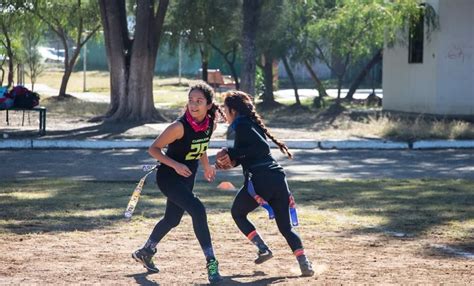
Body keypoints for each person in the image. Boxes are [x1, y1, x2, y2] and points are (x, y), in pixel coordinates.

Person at [132, 81, 224, 284]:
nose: (193, 105)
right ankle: (212, 264)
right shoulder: (178, 127)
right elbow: (153, 149)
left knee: (172, 219)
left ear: (209, 105)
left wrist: (207, 166)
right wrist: (174, 165)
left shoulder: (210, 124)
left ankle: (146, 251)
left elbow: (201, 146)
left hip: (186, 178)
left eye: (199, 101)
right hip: (169, 177)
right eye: (191, 100)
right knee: (198, 210)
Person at [215, 90, 314, 277]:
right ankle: (304, 263)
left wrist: (232, 153)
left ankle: (263, 248)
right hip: (277, 178)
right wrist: (231, 161)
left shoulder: (242, 125)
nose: (224, 113)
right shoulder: (250, 124)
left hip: (262, 179)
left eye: (225, 109)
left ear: (233, 110)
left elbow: (259, 149)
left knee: (237, 213)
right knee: (286, 228)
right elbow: (252, 153)